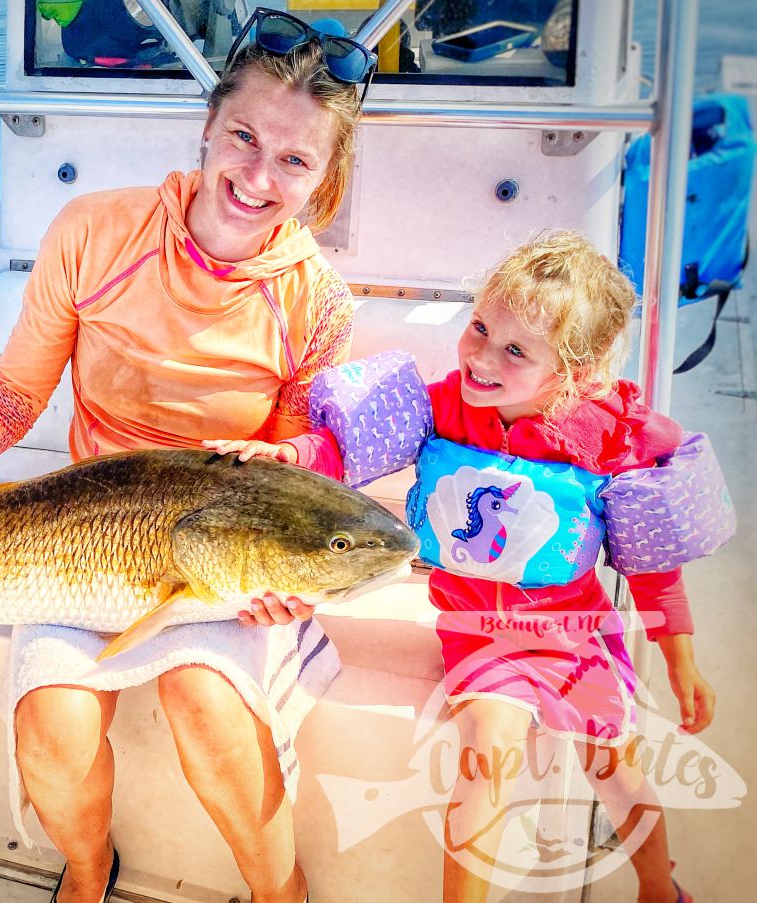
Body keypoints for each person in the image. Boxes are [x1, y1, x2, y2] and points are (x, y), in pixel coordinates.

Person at [0, 10, 376, 903]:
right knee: (50, 732)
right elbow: (8, 404)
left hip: (219, 554)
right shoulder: (96, 233)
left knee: (208, 712)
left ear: (324, 179)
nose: (257, 175)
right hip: (78, 538)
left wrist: (291, 576)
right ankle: (89, 867)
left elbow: (294, 469)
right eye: (244, 137)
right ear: (208, 128)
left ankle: (279, 889)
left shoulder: (319, 302)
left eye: (294, 160)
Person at [211, 232, 720, 903]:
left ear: (575, 373)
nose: (481, 354)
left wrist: (680, 659)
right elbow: (340, 449)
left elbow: (653, 560)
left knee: (614, 767)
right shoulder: (441, 404)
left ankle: (660, 887)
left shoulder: (608, 433)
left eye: (515, 350)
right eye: (480, 326)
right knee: (486, 756)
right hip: (478, 630)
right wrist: (293, 459)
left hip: (576, 633)